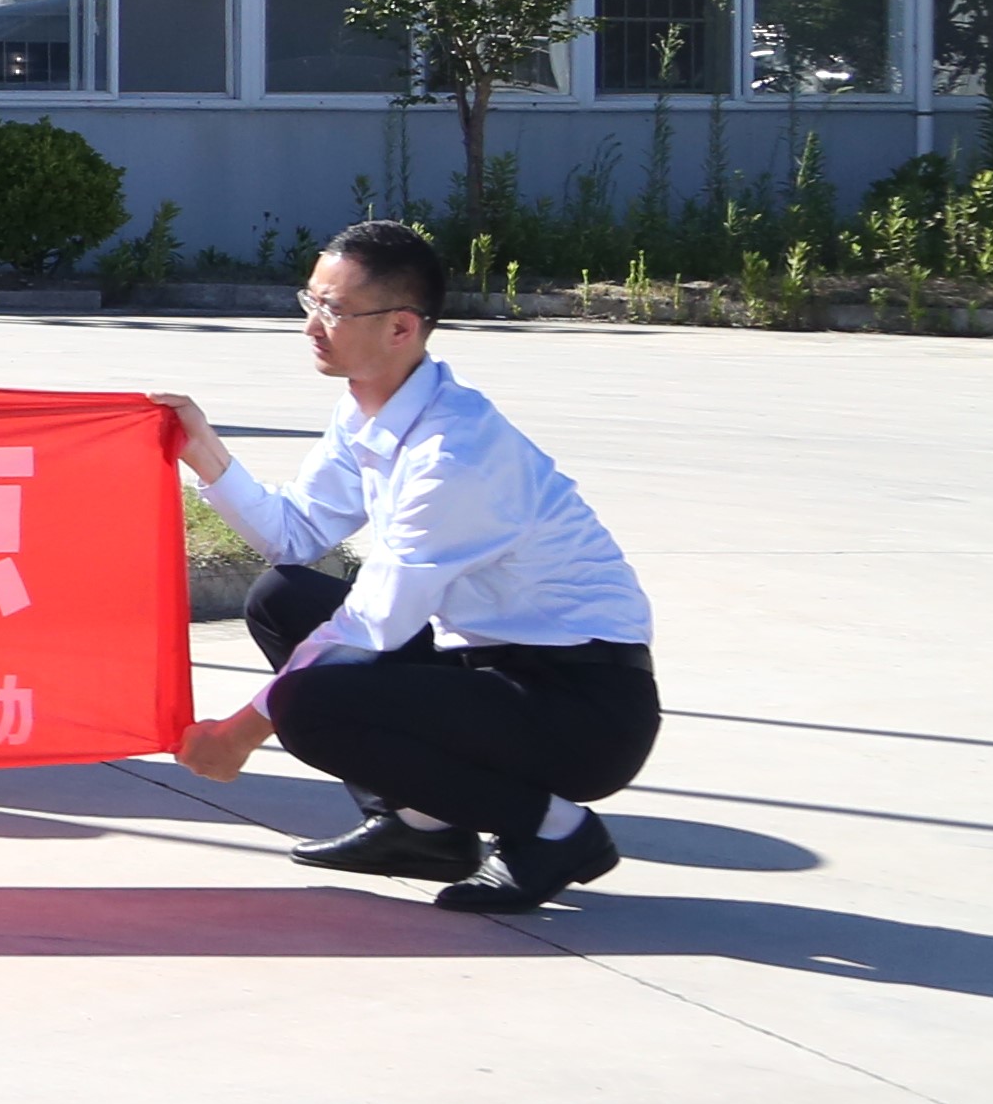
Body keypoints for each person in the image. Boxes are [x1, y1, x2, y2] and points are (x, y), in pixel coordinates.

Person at [162, 219, 661, 911]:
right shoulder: (368, 411)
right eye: (310, 302)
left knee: (308, 708)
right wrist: (203, 450)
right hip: (495, 673)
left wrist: (238, 736)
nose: (312, 325)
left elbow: (374, 625)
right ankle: (425, 828)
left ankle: (556, 831)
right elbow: (297, 536)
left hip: (579, 709)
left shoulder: (453, 455)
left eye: (334, 310)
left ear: (401, 328)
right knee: (284, 598)